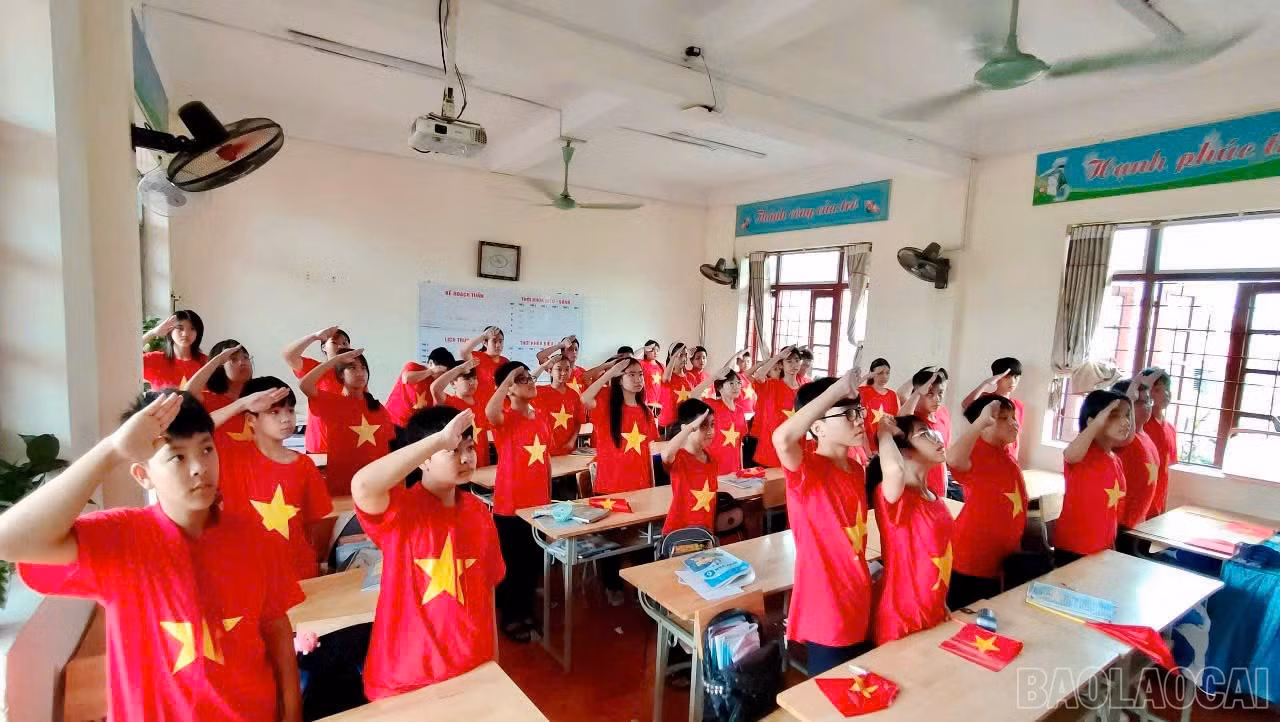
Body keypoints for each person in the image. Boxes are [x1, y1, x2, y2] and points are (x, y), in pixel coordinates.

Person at [0, 391, 303, 721]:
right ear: (143, 475)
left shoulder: (253, 537)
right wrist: (112, 450)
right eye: (177, 457)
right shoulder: (121, 539)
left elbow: (276, 629)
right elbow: (8, 541)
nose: (199, 468)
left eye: (206, 449)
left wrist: (291, 712)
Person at [350, 406, 504, 699]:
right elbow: (362, 485)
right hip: (407, 677)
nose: (465, 458)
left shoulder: (478, 512)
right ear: (423, 459)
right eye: (452, 450)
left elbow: (487, 589)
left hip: (471, 665)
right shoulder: (399, 511)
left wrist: (493, 658)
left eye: (469, 447)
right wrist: (437, 440)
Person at [772, 371, 873, 675]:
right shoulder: (807, 469)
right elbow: (782, 439)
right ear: (817, 427)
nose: (859, 420)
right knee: (831, 688)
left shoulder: (856, 468)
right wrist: (837, 390)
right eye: (848, 414)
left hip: (858, 591)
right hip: (826, 602)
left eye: (859, 411)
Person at [213, 377, 333, 580]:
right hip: (248, 574)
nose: (286, 419)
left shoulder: (303, 464)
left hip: (298, 570)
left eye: (290, 410)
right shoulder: (229, 459)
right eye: (274, 412)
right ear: (251, 419)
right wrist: (242, 403)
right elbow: (187, 431)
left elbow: (314, 525)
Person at [486, 358, 556, 641]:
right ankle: (511, 618)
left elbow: (546, 460)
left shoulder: (539, 416)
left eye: (530, 377)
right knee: (511, 565)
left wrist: (549, 499)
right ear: (509, 389)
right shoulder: (504, 417)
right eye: (522, 379)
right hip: (510, 505)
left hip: (538, 505)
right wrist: (507, 378)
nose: (530, 382)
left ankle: (526, 611)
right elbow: (490, 411)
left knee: (531, 563)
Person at [869, 413, 955, 645]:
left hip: (933, 609)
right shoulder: (892, 497)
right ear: (902, 451)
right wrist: (884, 432)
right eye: (923, 433)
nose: (936, 437)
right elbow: (895, 471)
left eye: (931, 431)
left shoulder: (932, 495)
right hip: (902, 618)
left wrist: (940, 601)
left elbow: (934, 556)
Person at [581, 357, 658, 606]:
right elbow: (584, 398)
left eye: (640, 374)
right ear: (619, 379)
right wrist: (609, 372)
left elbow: (649, 452)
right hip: (610, 487)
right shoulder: (606, 405)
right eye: (630, 374)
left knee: (644, 541)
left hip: (640, 487)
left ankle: (640, 587)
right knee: (611, 541)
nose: (637, 379)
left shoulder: (646, 411)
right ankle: (612, 585)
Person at [945, 395, 1027, 609]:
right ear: (983, 426)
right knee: (966, 615)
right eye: (1003, 418)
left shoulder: (1005, 454)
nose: (1013, 423)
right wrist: (979, 423)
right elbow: (952, 459)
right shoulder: (976, 451)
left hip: (1000, 556)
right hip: (972, 559)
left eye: (1013, 417)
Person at [300, 349, 394, 497]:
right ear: (340, 374)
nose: (360, 373)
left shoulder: (377, 407)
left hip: (374, 485)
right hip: (343, 485)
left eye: (363, 368)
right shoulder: (332, 402)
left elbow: (389, 448)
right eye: (352, 368)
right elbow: (305, 385)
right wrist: (335, 360)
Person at [1055, 390, 1131, 566]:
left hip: (1103, 547)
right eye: (1114, 416)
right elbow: (1070, 455)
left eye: (1127, 415)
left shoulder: (1115, 459)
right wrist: (1097, 423)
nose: (1125, 421)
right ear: (1092, 421)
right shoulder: (1082, 454)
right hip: (1074, 549)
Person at [282, 325, 352, 453]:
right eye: (334, 342)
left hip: (348, 445)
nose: (341, 346)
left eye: (345, 343)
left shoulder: (355, 373)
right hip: (320, 446)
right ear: (324, 347)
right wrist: (315, 336)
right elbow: (289, 356)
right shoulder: (315, 369)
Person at [185, 342, 257, 450]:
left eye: (246, 357)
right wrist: (218, 359)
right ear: (219, 367)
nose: (242, 362)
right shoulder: (208, 399)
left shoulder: (258, 397)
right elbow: (187, 394)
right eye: (233, 359)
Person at [661, 400, 719, 534]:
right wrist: (690, 428)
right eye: (702, 426)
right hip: (679, 533)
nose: (710, 431)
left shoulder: (712, 460)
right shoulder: (679, 458)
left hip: (705, 531)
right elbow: (666, 454)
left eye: (712, 425)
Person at [689, 354, 748, 475]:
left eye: (738, 383)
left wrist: (741, 469)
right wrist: (714, 377)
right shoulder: (712, 405)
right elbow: (693, 395)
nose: (736, 387)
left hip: (733, 470)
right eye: (731, 383)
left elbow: (739, 445)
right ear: (720, 388)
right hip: (713, 468)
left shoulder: (740, 411)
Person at [900, 368, 952, 498]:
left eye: (940, 393)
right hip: (919, 487)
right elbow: (901, 417)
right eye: (929, 394)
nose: (937, 399)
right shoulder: (913, 420)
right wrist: (918, 391)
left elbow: (946, 447)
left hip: (940, 484)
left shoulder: (943, 414)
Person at [748, 345, 803, 467]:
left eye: (797, 360)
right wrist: (778, 357)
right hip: (771, 446)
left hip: (795, 444)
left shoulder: (804, 389)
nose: (794, 365)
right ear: (782, 364)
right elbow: (759, 376)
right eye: (789, 361)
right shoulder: (771, 385)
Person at [431, 358, 491, 468]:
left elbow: (484, 435)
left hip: (481, 462)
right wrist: (459, 369)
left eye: (474, 378)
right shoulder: (449, 403)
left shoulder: (481, 404)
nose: (472, 382)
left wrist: (487, 461)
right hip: (460, 463)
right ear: (453, 383)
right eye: (466, 379)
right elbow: (435, 388)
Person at [961, 358, 1025, 457]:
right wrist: (986, 383)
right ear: (997, 377)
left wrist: (1015, 458)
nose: (1012, 381)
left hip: (1008, 456)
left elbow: (1016, 437)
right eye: (1007, 377)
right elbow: (966, 404)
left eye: (1016, 377)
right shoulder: (986, 399)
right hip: (987, 453)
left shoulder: (1018, 406)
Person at [384, 347, 456, 428]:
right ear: (431, 363)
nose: (443, 376)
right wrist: (432, 371)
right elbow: (406, 378)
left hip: (411, 427)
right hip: (392, 420)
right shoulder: (414, 367)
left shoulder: (435, 385)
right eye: (442, 372)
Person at [141, 310, 208, 390]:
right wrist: (153, 333)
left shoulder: (207, 363)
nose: (185, 334)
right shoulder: (155, 360)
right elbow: (129, 356)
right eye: (180, 328)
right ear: (170, 331)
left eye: (192, 328)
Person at [535, 354, 588, 456]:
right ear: (550, 371)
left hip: (567, 449)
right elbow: (526, 383)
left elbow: (578, 421)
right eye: (559, 369)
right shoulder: (540, 392)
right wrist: (544, 366)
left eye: (567, 369)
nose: (563, 373)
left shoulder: (574, 395)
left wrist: (571, 442)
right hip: (543, 450)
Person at [1142, 367, 1176, 519]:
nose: (1165, 394)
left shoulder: (1170, 429)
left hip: (1159, 499)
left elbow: (1169, 467)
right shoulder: (1141, 426)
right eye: (1157, 390)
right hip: (1141, 498)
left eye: (1167, 389)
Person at [458, 327, 509, 412]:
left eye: (500, 341)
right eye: (494, 341)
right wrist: (484, 335)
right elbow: (463, 352)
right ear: (485, 343)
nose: (498, 345)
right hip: (478, 408)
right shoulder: (477, 358)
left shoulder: (506, 362)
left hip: (498, 408)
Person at [659, 343, 696, 429]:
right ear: (672, 357)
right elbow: (666, 379)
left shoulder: (691, 377)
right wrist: (674, 356)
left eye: (685, 355)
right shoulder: (667, 376)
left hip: (686, 423)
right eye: (680, 355)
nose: (684, 358)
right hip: (669, 425)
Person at [639, 340, 665, 415]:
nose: (655, 352)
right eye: (652, 350)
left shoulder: (661, 366)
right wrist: (643, 348)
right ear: (646, 351)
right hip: (645, 402)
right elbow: (631, 360)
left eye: (657, 350)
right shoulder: (641, 363)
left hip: (659, 403)